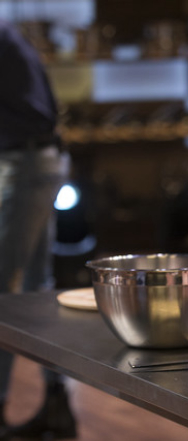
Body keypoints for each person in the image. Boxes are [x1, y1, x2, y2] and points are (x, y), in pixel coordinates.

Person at [0, 20, 76, 440]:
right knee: (33, 290)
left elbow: (33, 114)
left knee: (7, 295)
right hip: (34, 161)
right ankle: (57, 405)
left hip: (27, 164)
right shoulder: (7, 35)